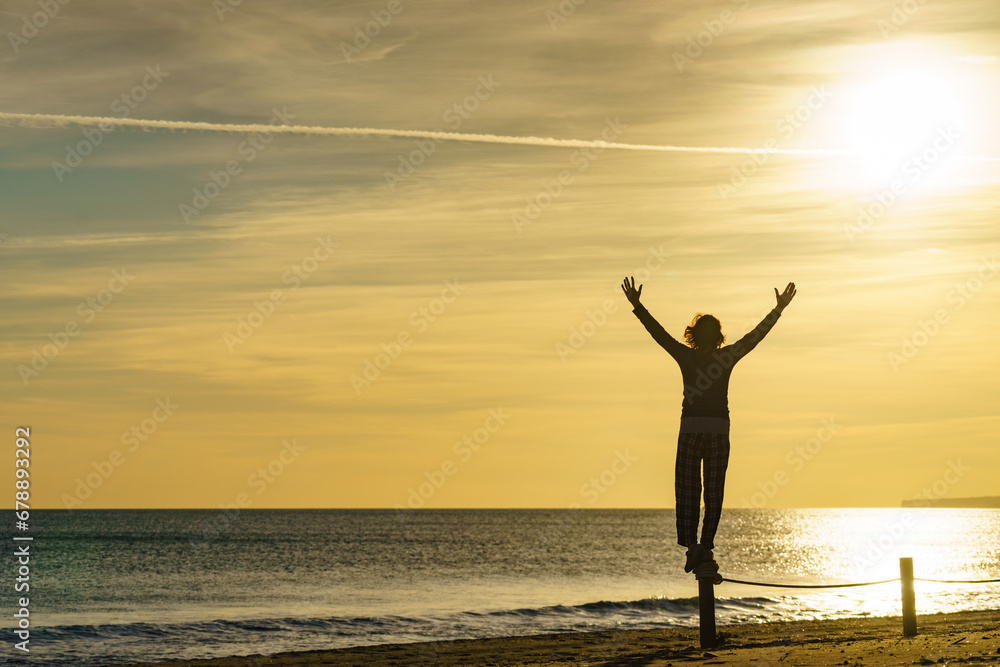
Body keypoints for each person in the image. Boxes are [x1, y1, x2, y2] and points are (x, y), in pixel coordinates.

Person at [621, 276, 796, 572]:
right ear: (716, 337)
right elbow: (754, 337)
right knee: (711, 492)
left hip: (695, 430)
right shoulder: (724, 356)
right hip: (713, 430)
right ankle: (701, 547)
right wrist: (777, 310)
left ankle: (697, 547)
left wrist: (638, 306)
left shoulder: (688, 356)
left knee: (690, 491)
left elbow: (660, 334)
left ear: (696, 336)